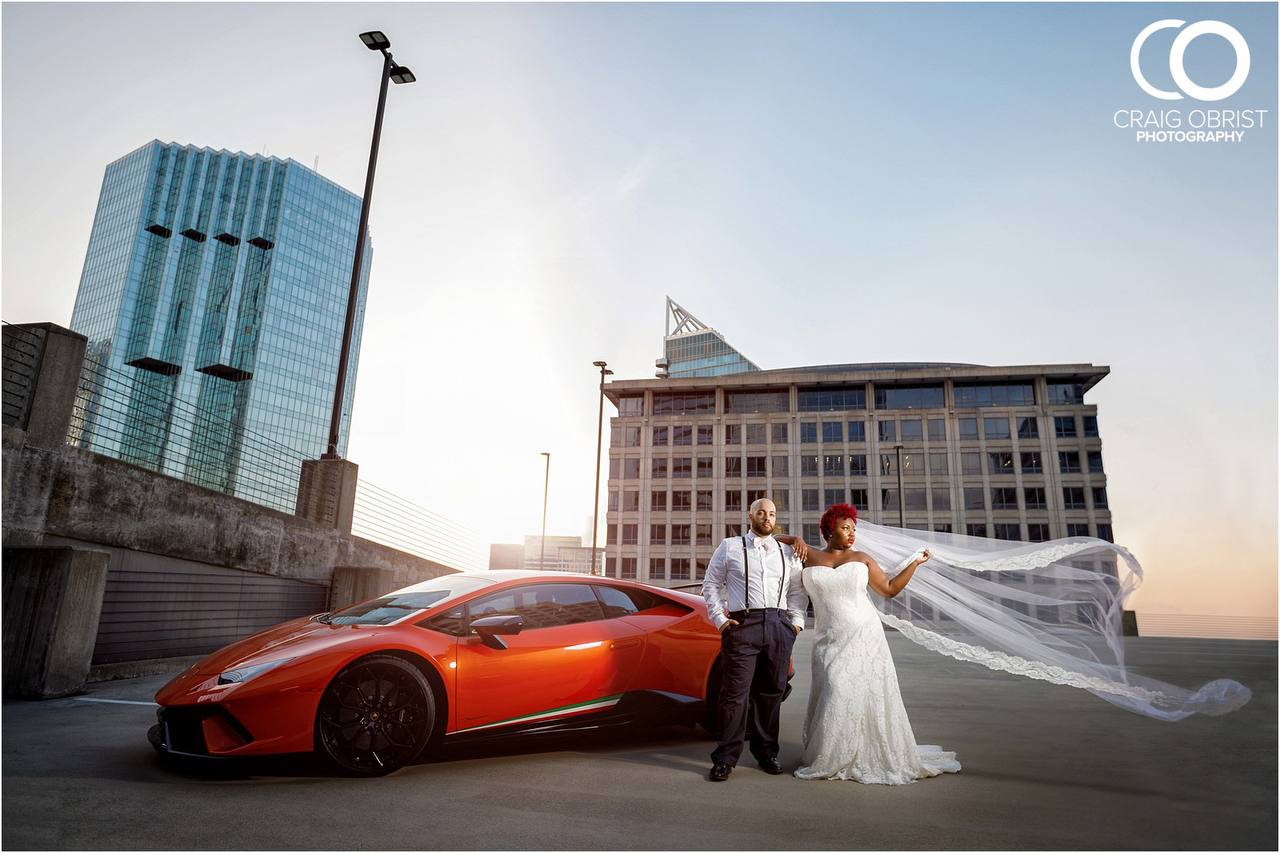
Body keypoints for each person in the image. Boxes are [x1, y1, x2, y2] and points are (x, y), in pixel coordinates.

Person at [785, 504, 960, 784]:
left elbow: (888, 589)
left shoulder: (862, 558)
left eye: (854, 529)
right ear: (829, 530)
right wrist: (794, 538)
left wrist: (913, 564)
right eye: (845, 528)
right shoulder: (808, 556)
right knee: (833, 688)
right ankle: (832, 752)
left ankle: (847, 755)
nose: (852, 534)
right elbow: (768, 539)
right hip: (827, 638)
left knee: (847, 691)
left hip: (864, 634)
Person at [701, 498, 807, 782]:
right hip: (742, 624)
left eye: (772, 513)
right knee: (734, 695)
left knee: (771, 693)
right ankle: (725, 758)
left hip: (778, 625)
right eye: (761, 512)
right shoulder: (730, 547)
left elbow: (797, 591)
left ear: (775, 519)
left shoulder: (788, 552)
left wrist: (795, 624)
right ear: (750, 515)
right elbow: (710, 584)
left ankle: (767, 753)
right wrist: (721, 621)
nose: (766, 517)